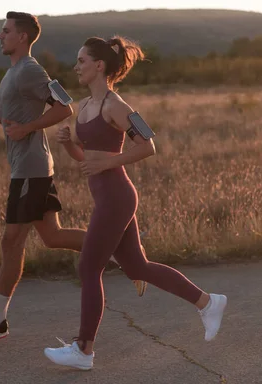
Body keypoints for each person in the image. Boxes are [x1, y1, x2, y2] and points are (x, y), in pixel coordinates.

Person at [0, 12, 147, 344]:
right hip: (28, 169)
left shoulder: (30, 70)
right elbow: (16, 124)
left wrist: (28, 128)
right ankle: (118, 251)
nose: (0, 36)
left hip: (31, 170)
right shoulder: (13, 72)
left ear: (24, 37)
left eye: (6, 31)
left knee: (11, 241)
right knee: (53, 237)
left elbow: (65, 107)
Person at [43, 35, 227, 370]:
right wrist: (70, 145)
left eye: (82, 61)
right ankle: (208, 302)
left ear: (99, 66)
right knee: (137, 267)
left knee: (88, 267)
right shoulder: (84, 107)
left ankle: (84, 350)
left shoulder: (118, 106)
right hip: (106, 194)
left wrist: (109, 163)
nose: (76, 67)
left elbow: (148, 146)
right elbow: (89, 159)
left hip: (117, 197)